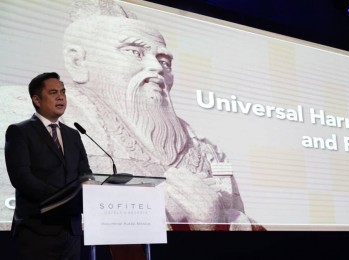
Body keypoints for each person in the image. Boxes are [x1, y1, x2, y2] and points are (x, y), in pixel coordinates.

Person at [62, 0, 263, 231]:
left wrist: (216, 220)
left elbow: (245, 222)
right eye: (134, 52)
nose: (157, 68)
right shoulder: (36, 123)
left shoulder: (208, 151)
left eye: (164, 61)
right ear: (78, 61)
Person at [4, 72, 92, 259]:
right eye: (53, 92)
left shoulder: (73, 134)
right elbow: (21, 178)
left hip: (71, 231)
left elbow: (85, 174)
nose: (61, 97)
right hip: (37, 230)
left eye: (63, 92)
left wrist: (90, 188)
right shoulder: (19, 131)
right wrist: (61, 200)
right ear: (37, 99)